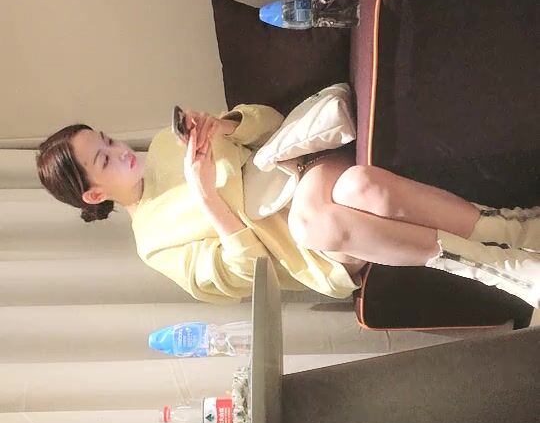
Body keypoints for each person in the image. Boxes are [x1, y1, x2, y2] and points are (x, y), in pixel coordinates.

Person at [36, 104, 539, 308]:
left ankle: (507, 258)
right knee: (356, 192)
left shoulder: (167, 144)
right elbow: (247, 277)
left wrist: (223, 125)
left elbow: (270, 124)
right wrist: (206, 195)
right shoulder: (154, 244)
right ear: (94, 194)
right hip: (315, 249)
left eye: (107, 139)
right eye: (104, 159)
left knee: (344, 196)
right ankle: (508, 236)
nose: (121, 151)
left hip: (305, 169)